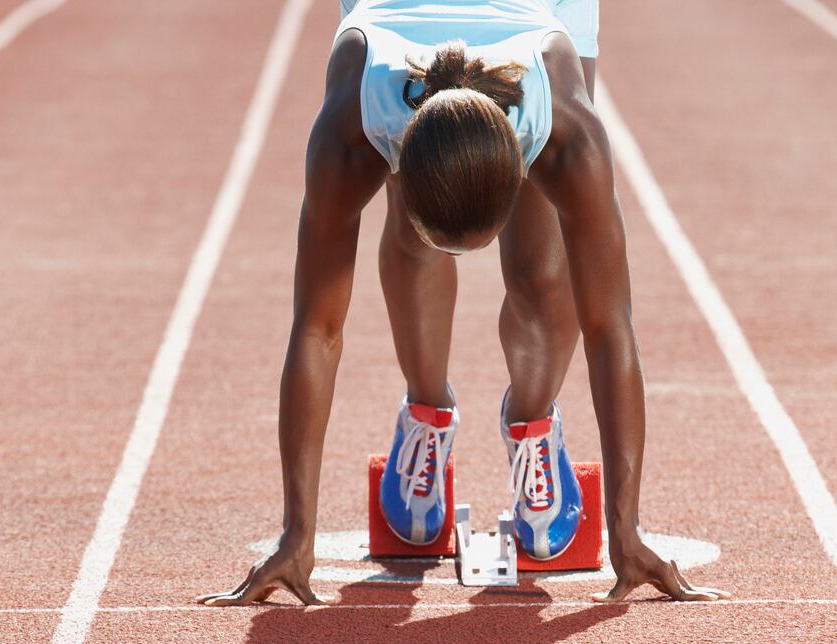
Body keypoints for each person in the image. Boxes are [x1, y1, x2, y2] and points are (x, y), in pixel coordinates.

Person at [203, 0, 722, 606]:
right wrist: (298, 534)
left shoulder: (567, 133)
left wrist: (625, 531)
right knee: (416, 243)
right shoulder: (352, 127)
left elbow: (609, 325)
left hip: (535, 13)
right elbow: (317, 327)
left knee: (543, 263)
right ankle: (425, 412)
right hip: (394, 24)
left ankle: (535, 424)